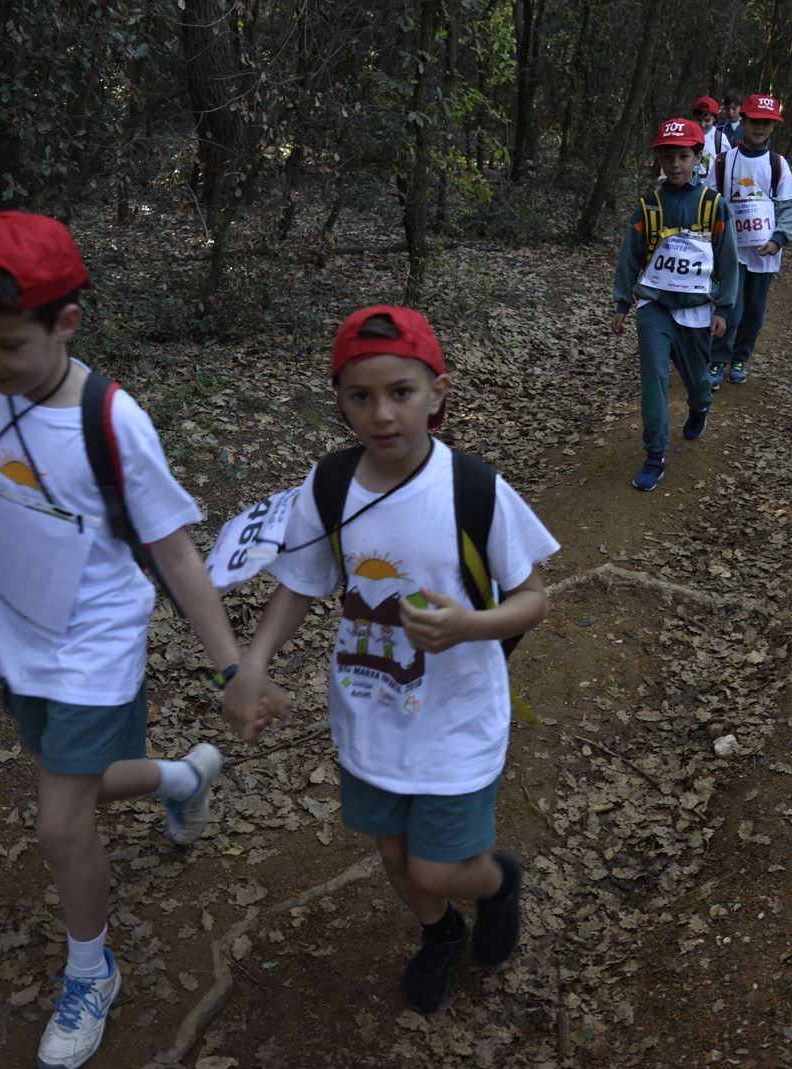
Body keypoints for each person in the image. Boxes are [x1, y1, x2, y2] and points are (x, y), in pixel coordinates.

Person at [0, 211, 281, 1069]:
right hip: (16, 630)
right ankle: (183, 776)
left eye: (7, 344)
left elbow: (175, 552)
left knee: (60, 825)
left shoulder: (112, 423)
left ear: (65, 322)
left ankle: (92, 972)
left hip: (95, 641)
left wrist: (233, 666)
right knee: (79, 785)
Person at [223, 305, 559, 1017]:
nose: (382, 414)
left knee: (438, 865)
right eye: (361, 396)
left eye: (401, 392)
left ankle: (497, 883)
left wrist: (471, 625)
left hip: (457, 717)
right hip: (370, 712)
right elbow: (302, 583)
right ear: (339, 401)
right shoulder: (329, 486)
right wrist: (252, 663)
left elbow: (533, 597)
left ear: (437, 392)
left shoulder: (473, 489)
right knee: (396, 858)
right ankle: (441, 933)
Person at [611, 117, 739, 491]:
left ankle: (700, 405)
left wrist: (723, 308)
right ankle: (655, 456)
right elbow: (630, 257)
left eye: (683, 156)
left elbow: (728, 261)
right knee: (654, 379)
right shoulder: (648, 206)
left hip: (696, 310)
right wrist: (622, 303)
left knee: (698, 382)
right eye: (668, 157)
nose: (675, 165)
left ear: (698, 157)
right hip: (654, 306)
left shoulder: (713, 206)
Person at [707, 93, 792, 388]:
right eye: (755, 121)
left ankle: (740, 358)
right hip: (731, 251)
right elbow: (709, 201)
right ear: (743, 121)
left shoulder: (777, 164)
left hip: (764, 253)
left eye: (766, 123)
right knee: (729, 309)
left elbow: (788, 208)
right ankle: (717, 360)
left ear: (773, 126)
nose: (760, 127)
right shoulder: (724, 161)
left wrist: (779, 238)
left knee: (754, 311)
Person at [690, 95, 723, 184]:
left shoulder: (719, 138)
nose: (702, 124)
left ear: (714, 119)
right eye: (698, 120)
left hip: (710, 187)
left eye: (707, 120)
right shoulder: (687, 135)